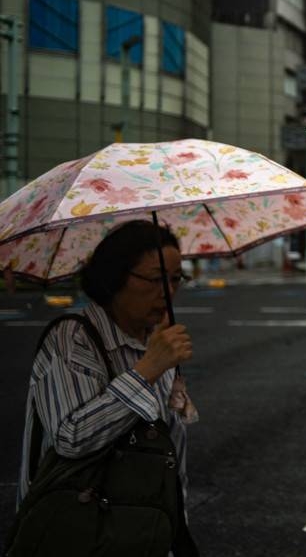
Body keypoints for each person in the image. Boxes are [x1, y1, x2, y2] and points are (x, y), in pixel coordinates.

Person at [16, 220, 198, 542]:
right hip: (77, 532)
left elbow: (170, 455)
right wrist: (146, 371)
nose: (168, 292)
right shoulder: (73, 338)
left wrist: (175, 529)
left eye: (176, 279)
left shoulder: (155, 341)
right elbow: (71, 438)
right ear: (114, 279)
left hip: (144, 534)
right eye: (156, 279)